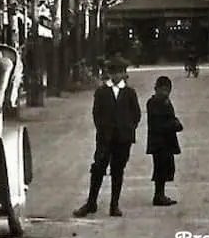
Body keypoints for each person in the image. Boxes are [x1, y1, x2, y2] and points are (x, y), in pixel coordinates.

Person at [73, 59, 141, 217]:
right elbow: (96, 113)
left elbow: (136, 114)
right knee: (98, 169)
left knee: (118, 171)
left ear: (125, 74)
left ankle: (114, 205)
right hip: (105, 138)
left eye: (120, 72)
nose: (117, 76)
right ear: (109, 74)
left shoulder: (130, 92)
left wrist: (128, 128)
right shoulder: (102, 92)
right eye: (114, 72)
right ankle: (91, 203)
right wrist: (103, 130)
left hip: (123, 139)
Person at [146, 76, 184, 206]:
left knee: (166, 168)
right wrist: (175, 125)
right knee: (160, 169)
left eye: (167, 90)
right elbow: (160, 123)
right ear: (156, 89)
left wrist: (175, 122)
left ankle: (160, 194)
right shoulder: (154, 103)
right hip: (159, 141)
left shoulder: (164, 102)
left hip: (166, 141)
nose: (165, 92)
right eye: (162, 89)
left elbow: (170, 117)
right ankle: (158, 195)